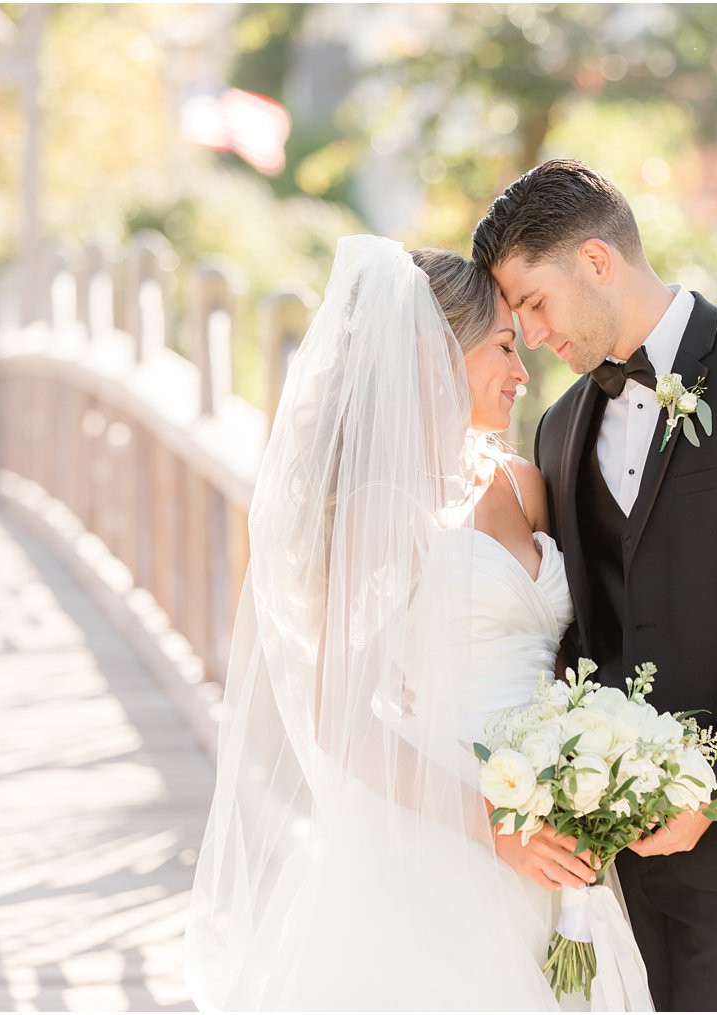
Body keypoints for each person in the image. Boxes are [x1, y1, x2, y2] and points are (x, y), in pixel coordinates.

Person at [184, 236, 651, 1011]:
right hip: (441, 829)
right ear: (431, 352)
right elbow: (339, 717)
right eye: (504, 345)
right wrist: (496, 824)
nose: (521, 368)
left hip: (554, 822)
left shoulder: (524, 483)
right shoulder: (380, 508)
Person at [473, 160, 717, 1012]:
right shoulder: (559, 429)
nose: (532, 336)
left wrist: (711, 790)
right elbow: (577, 631)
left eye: (534, 303)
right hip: (607, 851)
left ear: (595, 259)